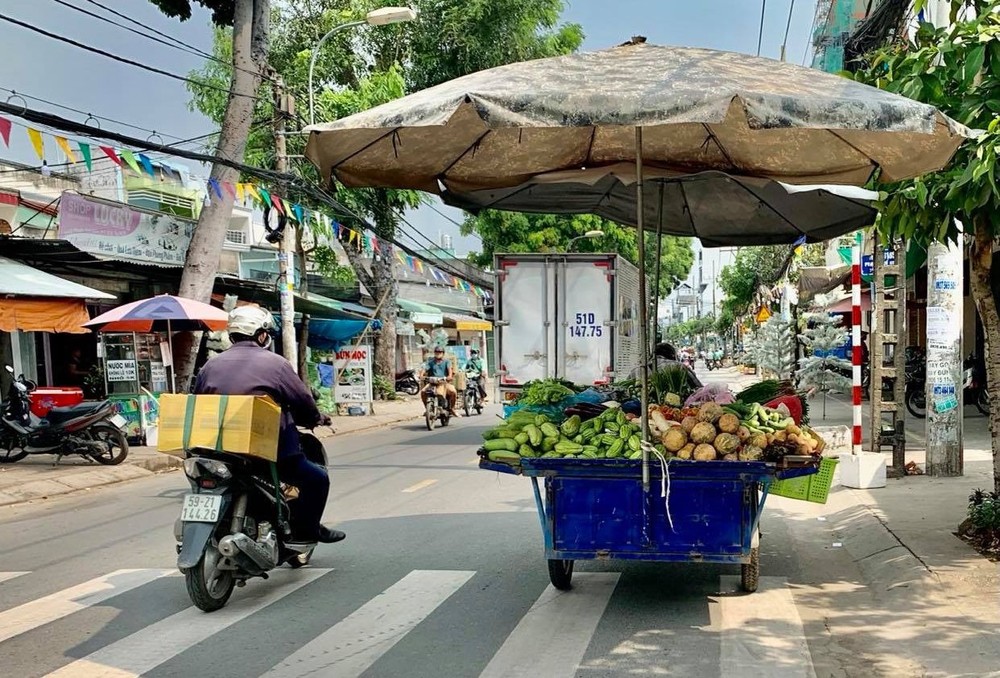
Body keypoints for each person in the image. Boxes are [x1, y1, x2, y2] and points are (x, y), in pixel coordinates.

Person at [193, 305, 345, 545]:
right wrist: (316, 418)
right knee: (317, 479)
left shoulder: (209, 366)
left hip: (217, 449)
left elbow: (197, 402)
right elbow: (302, 401)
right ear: (261, 334)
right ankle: (305, 532)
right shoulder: (276, 364)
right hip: (268, 451)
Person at [422, 346, 458, 415]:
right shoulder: (430, 362)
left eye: (440, 352)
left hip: (443, 382)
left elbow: (450, 370)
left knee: (453, 391)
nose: (438, 353)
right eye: (436, 352)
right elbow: (424, 369)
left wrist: (449, 376)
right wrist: (421, 375)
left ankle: (452, 408)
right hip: (432, 382)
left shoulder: (447, 362)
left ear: (443, 353)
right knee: (423, 392)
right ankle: (427, 409)